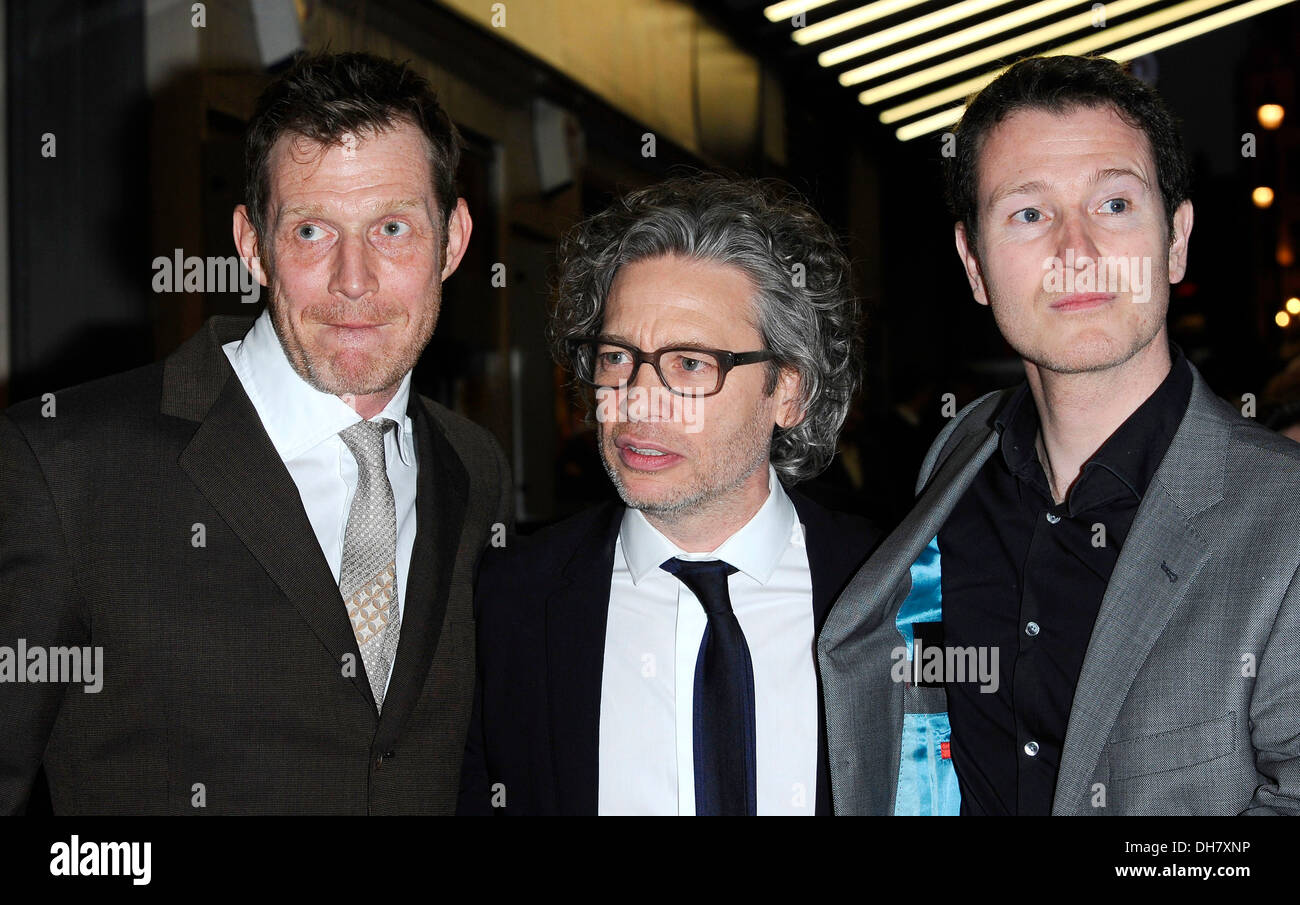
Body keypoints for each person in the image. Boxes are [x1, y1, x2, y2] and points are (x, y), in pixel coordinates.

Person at [0, 52, 512, 814]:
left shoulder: (474, 467)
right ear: (251, 244)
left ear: (455, 239)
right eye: (311, 230)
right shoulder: (63, 467)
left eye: (393, 228)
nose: (354, 280)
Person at [819, 55, 1300, 815]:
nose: (1075, 252)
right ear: (974, 264)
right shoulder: (957, 460)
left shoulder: (1285, 518)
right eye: (1029, 214)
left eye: (1113, 204)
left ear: (1176, 241)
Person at [458, 174, 878, 815]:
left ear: (787, 391)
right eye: (617, 357)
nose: (637, 400)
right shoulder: (508, 604)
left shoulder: (894, 592)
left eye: (690, 363)